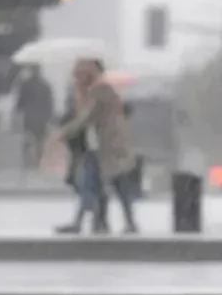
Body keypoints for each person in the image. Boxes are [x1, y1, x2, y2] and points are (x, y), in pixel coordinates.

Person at [52, 59, 140, 234]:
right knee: (92, 183)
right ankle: (95, 222)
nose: (76, 77)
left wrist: (64, 133)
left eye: (80, 73)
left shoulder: (100, 90)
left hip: (108, 145)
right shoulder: (88, 92)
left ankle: (120, 223)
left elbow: (88, 117)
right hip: (97, 146)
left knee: (114, 183)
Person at [55, 84, 107, 234]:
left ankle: (94, 221)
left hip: (88, 154)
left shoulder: (89, 112)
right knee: (90, 189)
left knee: (89, 189)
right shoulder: (79, 112)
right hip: (85, 154)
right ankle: (97, 222)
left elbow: (73, 130)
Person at [14, 65, 54, 168]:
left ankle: (27, 160)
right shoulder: (45, 85)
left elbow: (20, 102)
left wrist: (18, 110)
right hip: (41, 117)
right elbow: (49, 103)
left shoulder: (26, 84)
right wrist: (49, 116)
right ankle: (38, 160)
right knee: (39, 140)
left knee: (29, 138)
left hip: (30, 116)